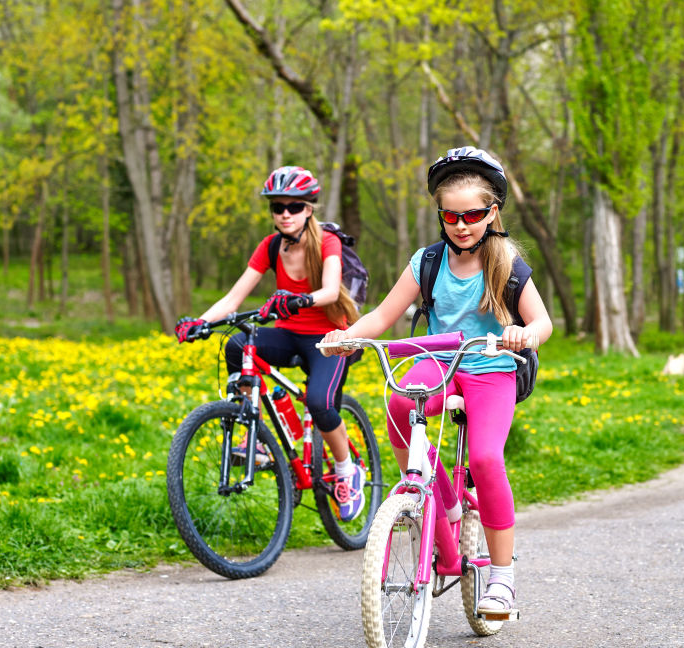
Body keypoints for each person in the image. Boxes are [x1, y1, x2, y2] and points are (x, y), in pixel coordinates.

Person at [320, 146, 553, 613]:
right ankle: (443, 502)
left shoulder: (505, 261)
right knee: (399, 405)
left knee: (486, 458)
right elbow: (384, 315)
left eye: (472, 214)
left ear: (493, 212)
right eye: (451, 216)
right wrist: (346, 336)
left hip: (491, 368)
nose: (462, 225)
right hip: (439, 361)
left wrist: (521, 334)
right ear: (441, 216)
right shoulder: (426, 262)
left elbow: (543, 324)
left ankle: (502, 577)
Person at [175, 165, 366, 522]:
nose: (284, 214)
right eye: (277, 207)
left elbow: (328, 290)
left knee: (320, 403)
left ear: (309, 208)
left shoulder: (327, 241)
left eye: (293, 207)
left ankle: (346, 471)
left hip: (330, 338)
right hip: (290, 333)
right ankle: (253, 435)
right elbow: (234, 299)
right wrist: (200, 322)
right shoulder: (272, 245)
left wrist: (299, 300)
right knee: (236, 346)